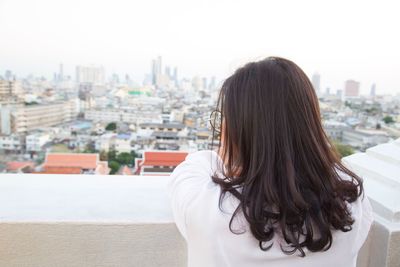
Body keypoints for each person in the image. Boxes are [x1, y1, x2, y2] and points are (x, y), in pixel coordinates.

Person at [167, 57, 373, 267]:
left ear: (239, 132)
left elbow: (193, 168)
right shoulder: (351, 202)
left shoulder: (212, 209)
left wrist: (228, 149)